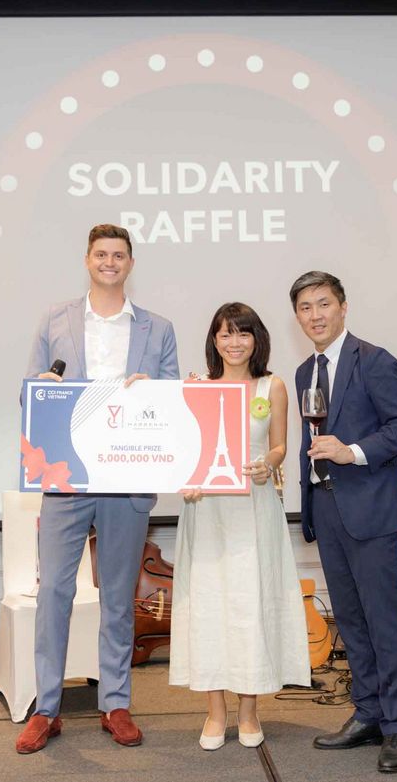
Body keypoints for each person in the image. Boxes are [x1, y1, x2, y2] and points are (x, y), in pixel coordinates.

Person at [15, 224, 179, 754]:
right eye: (101, 254)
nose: (110, 262)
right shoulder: (55, 319)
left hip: (128, 478)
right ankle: (46, 709)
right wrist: (43, 390)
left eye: (119, 255)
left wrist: (154, 394)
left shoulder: (158, 328)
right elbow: (29, 393)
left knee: (118, 595)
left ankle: (115, 703)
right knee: (53, 592)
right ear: (87, 259)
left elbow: (174, 402)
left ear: (130, 263)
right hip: (67, 476)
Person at [289, 271, 397, 774]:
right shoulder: (305, 372)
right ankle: (368, 713)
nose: (315, 315)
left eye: (323, 304)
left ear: (343, 307)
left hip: (371, 508)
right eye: (305, 307)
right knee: (349, 620)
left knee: (384, 620)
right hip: (327, 508)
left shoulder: (375, 360)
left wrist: (353, 452)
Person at [169, 303, 310, 750]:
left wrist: (269, 463)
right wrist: (186, 479)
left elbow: (280, 445)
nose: (234, 342)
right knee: (208, 604)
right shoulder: (196, 387)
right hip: (207, 510)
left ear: (257, 339)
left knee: (252, 603)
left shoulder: (272, 386)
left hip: (254, 507)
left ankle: (249, 712)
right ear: (214, 340)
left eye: (243, 333)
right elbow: (182, 449)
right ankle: (215, 712)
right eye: (226, 334)